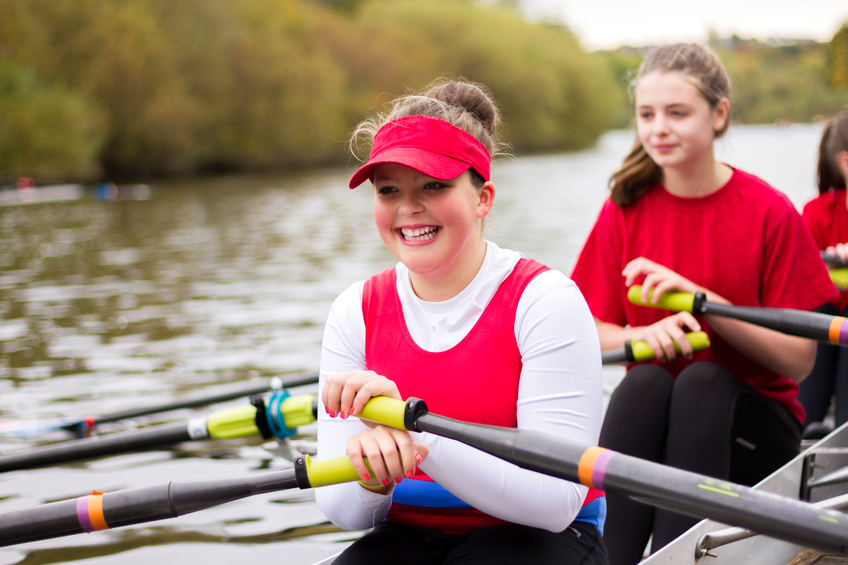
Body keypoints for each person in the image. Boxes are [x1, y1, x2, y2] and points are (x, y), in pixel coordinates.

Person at [315, 81, 608, 565]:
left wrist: (415, 431)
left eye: (434, 185)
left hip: (538, 534)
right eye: (389, 190)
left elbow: (555, 504)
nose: (409, 207)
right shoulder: (354, 311)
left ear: (483, 198)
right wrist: (373, 477)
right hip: (409, 533)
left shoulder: (545, 301)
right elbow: (343, 512)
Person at [569, 44, 838, 565]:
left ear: (719, 115)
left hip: (756, 434)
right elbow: (588, 329)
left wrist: (705, 305)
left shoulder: (770, 210)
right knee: (644, 378)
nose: (658, 128)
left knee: (702, 380)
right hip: (666, 430)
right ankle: (607, 556)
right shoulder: (624, 209)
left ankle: (680, 556)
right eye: (647, 115)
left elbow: (801, 361)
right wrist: (637, 339)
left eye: (677, 113)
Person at [799, 107, 848, 438]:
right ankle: (804, 433)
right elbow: (798, 288)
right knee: (820, 313)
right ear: (845, 163)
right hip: (827, 327)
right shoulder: (816, 214)